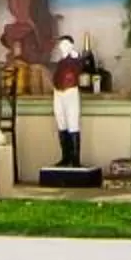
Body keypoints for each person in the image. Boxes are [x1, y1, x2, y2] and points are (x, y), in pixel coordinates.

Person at [52, 34, 86, 169]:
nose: (62, 46)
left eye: (65, 44)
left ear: (71, 45)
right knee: (61, 123)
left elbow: (79, 61)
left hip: (70, 91)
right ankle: (65, 157)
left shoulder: (74, 58)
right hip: (58, 92)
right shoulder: (60, 62)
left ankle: (75, 159)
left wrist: (74, 54)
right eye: (61, 44)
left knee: (73, 123)